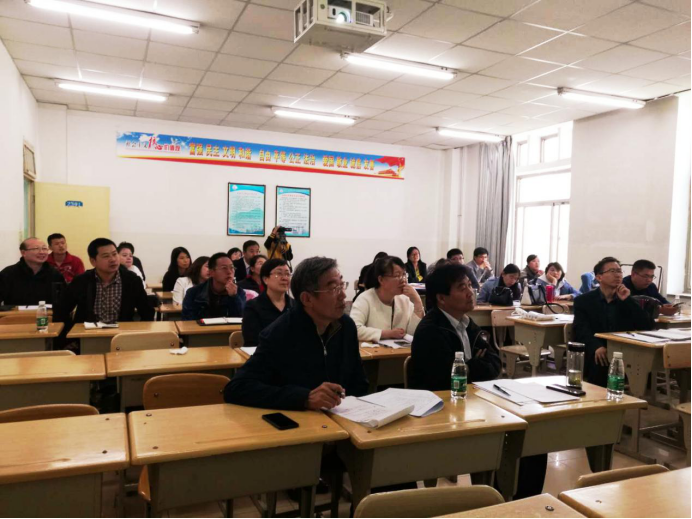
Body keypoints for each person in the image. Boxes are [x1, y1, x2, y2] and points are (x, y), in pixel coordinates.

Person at [224, 256, 368, 411]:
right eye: (333, 288)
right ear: (307, 299)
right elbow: (237, 388)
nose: (343, 295)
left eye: (342, 285)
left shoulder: (346, 326)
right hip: (301, 418)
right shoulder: (280, 332)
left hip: (343, 415)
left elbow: (359, 382)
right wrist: (304, 398)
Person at [409, 263, 501, 390]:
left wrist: (467, 368)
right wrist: (475, 365)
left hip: (470, 395)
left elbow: (495, 363)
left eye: (469, 285)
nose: (470, 292)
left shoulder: (467, 323)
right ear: (441, 298)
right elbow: (446, 378)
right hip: (440, 399)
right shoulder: (430, 330)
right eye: (462, 288)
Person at [574, 257, 655, 387]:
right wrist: (596, 346)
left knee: (644, 363)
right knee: (601, 360)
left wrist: (628, 300)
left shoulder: (626, 299)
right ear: (599, 277)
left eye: (619, 271)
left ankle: (637, 395)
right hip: (597, 349)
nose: (618, 275)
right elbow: (581, 329)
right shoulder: (583, 301)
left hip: (623, 350)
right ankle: (599, 397)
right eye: (612, 271)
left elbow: (647, 325)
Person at [54, 238, 154, 327]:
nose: (113, 259)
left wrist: (137, 333)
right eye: (106, 256)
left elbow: (147, 312)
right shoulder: (81, 281)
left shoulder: (132, 280)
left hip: (121, 335)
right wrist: (70, 335)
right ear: (93, 261)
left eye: (114, 254)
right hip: (88, 335)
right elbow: (61, 310)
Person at [350, 256, 425, 343]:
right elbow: (354, 329)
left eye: (404, 275)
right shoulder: (365, 299)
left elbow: (414, 333)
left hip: (402, 351)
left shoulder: (404, 300)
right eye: (397, 275)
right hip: (373, 351)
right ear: (381, 279)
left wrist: (417, 302)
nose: (403, 280)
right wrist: (387, 333)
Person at [242, 259, 294, 346]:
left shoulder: (296, 306)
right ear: (265, 279)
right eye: (279, 274)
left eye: (287, 274)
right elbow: (252, 341)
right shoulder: (253, 307)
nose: (285, 278)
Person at [0, 238, 65, 306]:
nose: (42, 252)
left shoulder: (55, 274)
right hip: (16, 313)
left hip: (47, 312)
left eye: (44, 249)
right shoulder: (8, 274)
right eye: (36, 249)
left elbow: (63, 301)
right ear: (23, 252)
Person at [182, 253, 246, 321]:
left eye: (232, 268)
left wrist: (234, 297)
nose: (229, 272)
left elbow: (242, 319)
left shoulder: (239, 292)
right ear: (211, 272)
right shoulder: (194, 293)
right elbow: (187, 321)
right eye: (224, 268)